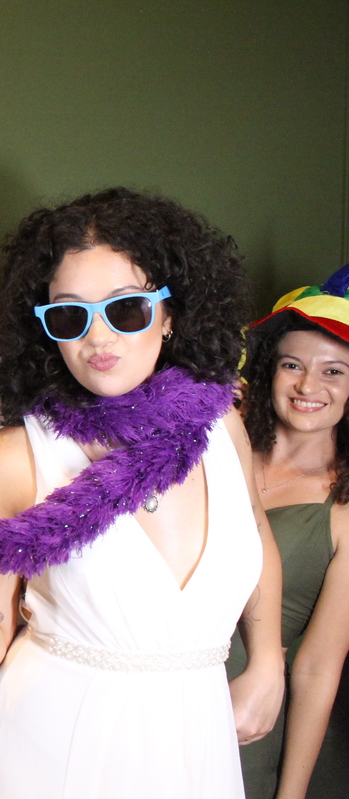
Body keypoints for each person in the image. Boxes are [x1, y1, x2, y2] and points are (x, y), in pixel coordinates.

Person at [0, 187, 287, 798]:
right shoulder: (15, 458)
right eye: (69, 316)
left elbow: (255, 531)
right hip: (55, 747)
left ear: (170, 315)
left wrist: (268, 661)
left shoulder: (219, 425)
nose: (99, 338)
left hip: (194, 736)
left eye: (127, 309)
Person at [231, 269, 349, 799]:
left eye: (334, 371)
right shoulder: (216, 450)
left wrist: (292, 793)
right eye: (292, 365)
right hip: (147, 689)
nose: (308, 386)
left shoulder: (342, 509)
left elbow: (318, 668)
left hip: (250, 725)